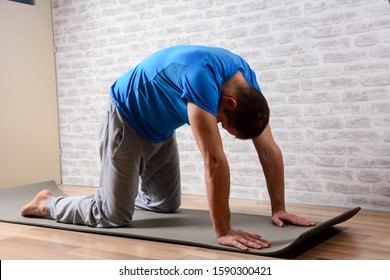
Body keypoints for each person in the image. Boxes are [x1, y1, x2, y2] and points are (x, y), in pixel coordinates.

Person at [21, 45, 315, 251]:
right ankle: (47, 204)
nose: (218, 124)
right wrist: (223, 231)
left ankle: (118, 192)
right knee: (112, 216)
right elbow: (213, 160)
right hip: (126, 118)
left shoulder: (245, 81)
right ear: (229, 103)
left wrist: (279, 208)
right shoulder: (202, 79)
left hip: (160, 127)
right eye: (221, 121)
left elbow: (269, 149)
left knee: (165, 204)